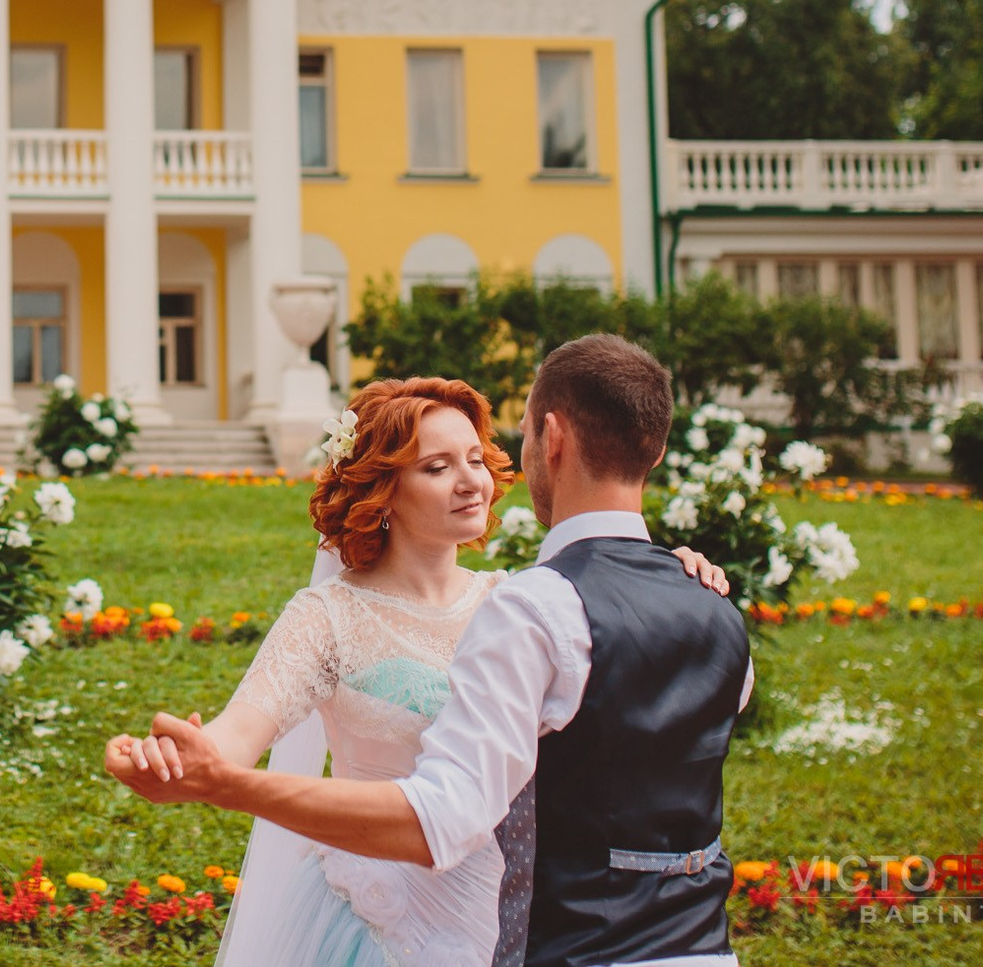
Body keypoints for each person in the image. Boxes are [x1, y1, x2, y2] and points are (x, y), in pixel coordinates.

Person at [106, 367, 735, 966]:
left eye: (474, 460)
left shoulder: (522, 603)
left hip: (513, 914)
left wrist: (665, 577)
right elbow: (238, 735)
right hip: (378, 921)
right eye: (437, 467)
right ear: (383, 490)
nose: (471, 482)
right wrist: (180, 757)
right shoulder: (328, 616)